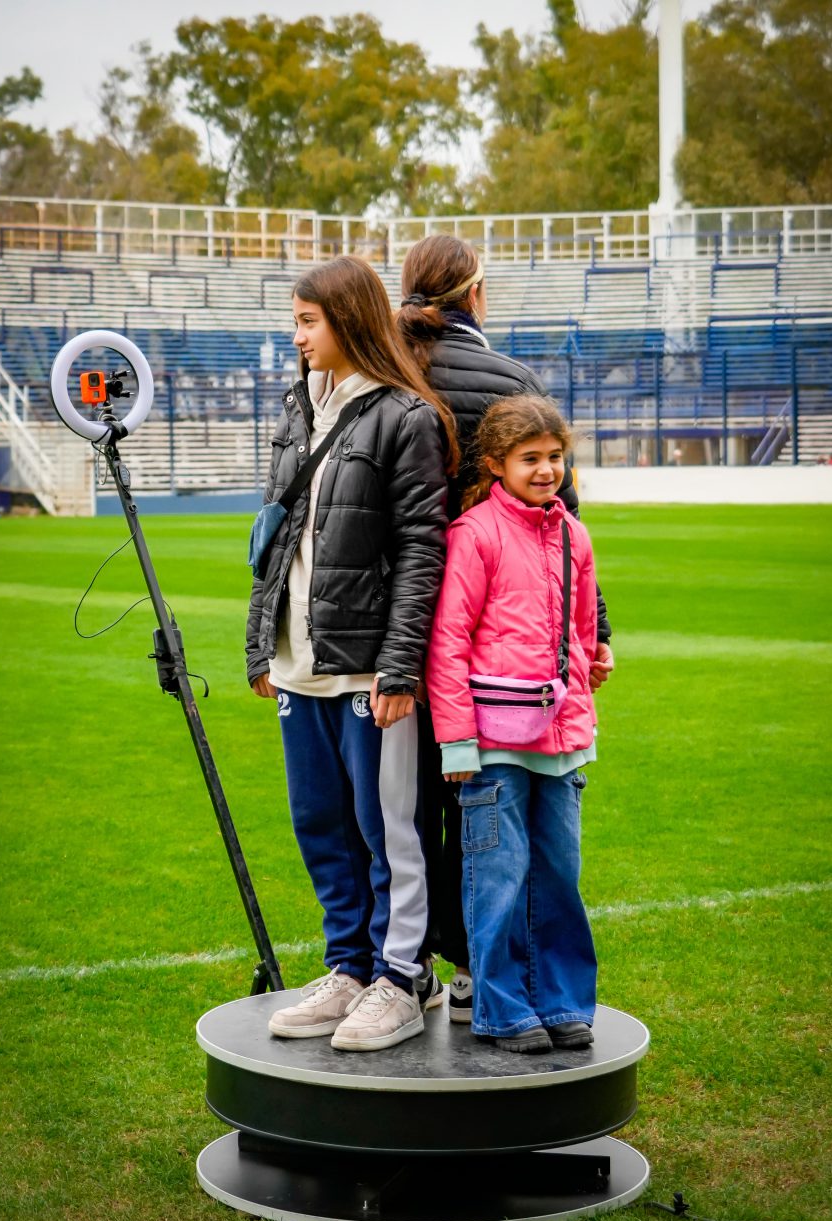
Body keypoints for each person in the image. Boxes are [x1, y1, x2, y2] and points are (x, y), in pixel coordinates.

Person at [396, 233, 613, 1022]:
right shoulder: (513, 380)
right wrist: (598, 633)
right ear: (477, 294)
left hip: (397, 628)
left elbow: (562, 531)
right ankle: (474, 977)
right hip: (491, 637)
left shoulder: (390, 369)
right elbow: (565, 523)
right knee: (486, 821)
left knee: (407, 811)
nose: (544, 467)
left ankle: (400, 969)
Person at [246, 255, 455, 1052]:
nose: (296, 336)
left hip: (370, 670)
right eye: (295, 321)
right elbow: (277, 533)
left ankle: (403, 978)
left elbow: (421, 551)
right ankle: (350, 967)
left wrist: (399, 667)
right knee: (320, 822)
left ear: (350, 320)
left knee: (386, 829)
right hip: (300, 661)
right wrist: (262, 644)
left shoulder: (406, 417)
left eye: (308, 322)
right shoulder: (298, 405)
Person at [425, 395, 598, 1053]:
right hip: (493, 744)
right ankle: (501, 1008)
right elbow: (448, 641)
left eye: (555, 457)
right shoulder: (473, 534)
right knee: (498, 878)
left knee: (559, 877)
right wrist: (456, 740)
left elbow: (582, 632)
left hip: (563, 740)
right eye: (531, 458)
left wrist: (586, 684)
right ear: (497, 463)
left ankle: (561, 1001)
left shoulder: (574, 535)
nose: (547, 469)